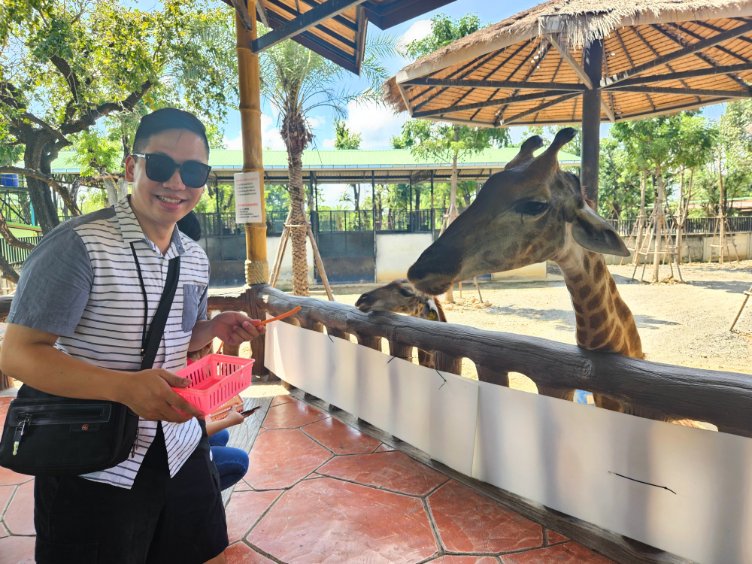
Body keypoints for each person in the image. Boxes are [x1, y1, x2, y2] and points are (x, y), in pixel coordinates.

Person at [0, 108, 264, 564]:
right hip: (93, 460)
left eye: (194, 171)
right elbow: (18, 354)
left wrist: (212, 328)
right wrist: (123, 388)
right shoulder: (78, 245)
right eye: (160, 166)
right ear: (131, 166)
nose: (177, 183)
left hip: (182, 450)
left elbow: (180, 335)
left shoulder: (193, 258)